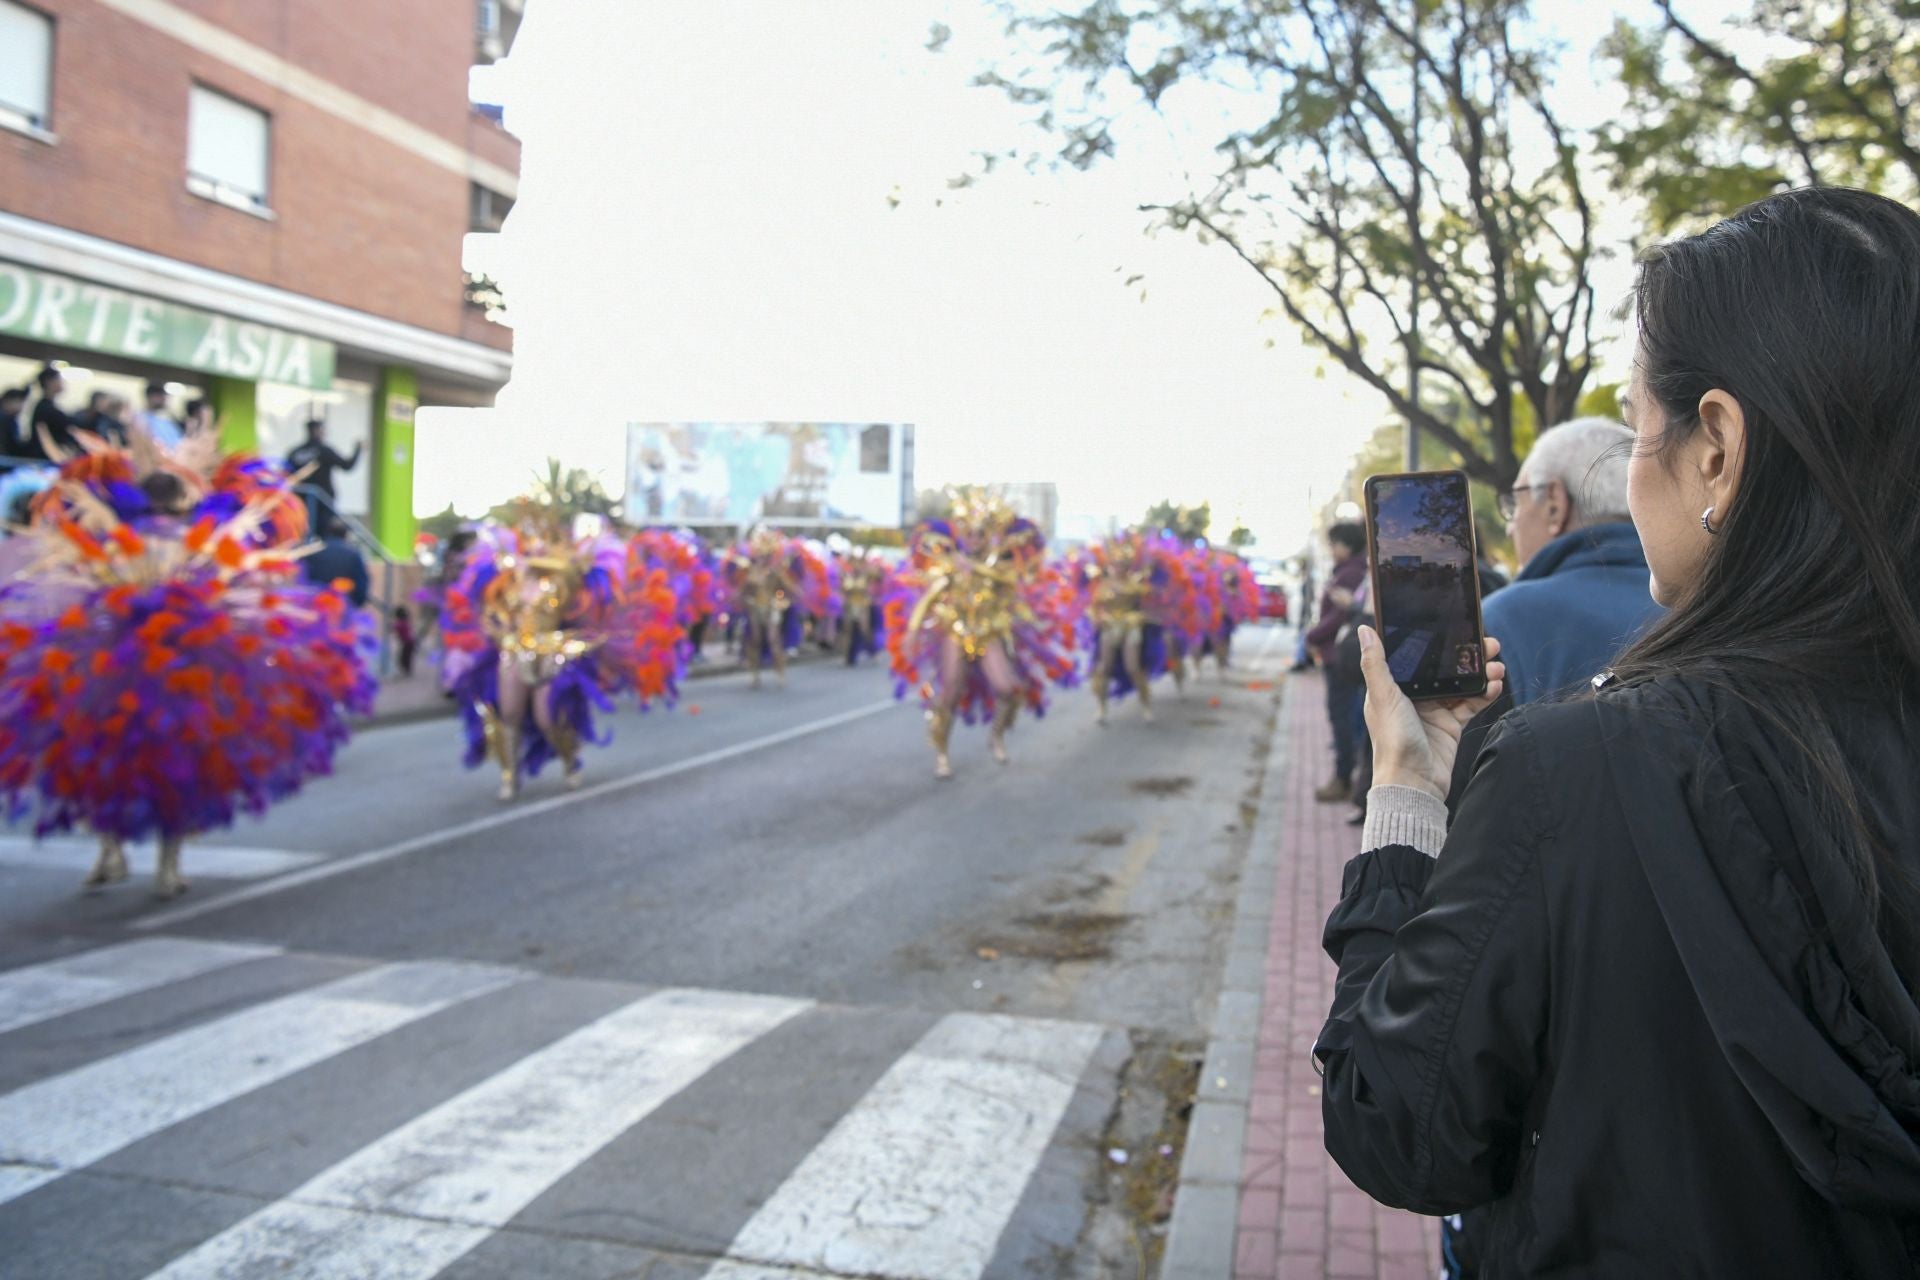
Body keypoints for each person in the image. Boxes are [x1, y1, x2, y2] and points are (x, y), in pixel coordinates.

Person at [1316, 187, 1920, 1277]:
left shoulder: (1580, 761)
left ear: (1719, 447)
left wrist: (1405, 788)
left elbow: (1398, 1123)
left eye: (1642, 428)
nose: (1634, 471)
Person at [0, 438, 375, 897]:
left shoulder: (124, 537)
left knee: (102, 763)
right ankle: (165, 866)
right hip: (179, 672)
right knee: (175, 770)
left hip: (114, 670)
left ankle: (111, 853)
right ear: (181, 502)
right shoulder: (191, 541)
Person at [438, 503, 686, 800]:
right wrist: (496, 628)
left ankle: (570, 761)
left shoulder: (560, 578)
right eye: (531, 542)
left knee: (547, 717)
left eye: (542, 541)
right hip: (515, 650)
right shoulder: (511, 578)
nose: (536, 546)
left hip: (552, 651)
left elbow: (574, 574)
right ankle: (509, 775)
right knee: (509, 714)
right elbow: (494, 610)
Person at [887, 489, 1081, 778]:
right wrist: (912, 631)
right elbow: (930, 596)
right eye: (969, 533)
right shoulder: (950, 564)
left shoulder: (999, 565)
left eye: (980, 533)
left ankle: (997, 736)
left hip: (989, 632)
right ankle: (942, 754)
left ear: (988, 534)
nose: (974, 538)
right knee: (950, 692)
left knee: (1007, 688)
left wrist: (976, 567)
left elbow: (1010, 583)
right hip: (956, 631)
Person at [1484, 417, 1663, 705]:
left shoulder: (1501, 623)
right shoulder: (1712, 606)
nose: (1510, 526)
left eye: (1516, 501)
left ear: (1555, 504)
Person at [1304, 521, 1367, 802]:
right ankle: (1345, 775)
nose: (1331, 549)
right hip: (1340, 653)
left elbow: (1338, 617)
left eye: (1334, 543)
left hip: (1340, 655)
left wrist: (1313, 635)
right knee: (1343, 716)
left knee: (1340, 716)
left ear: (1346, 544)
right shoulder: (1349, 570)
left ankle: (1343, 778)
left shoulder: (1351, 573)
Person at [286, 418, 363, 523]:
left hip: (301, 503)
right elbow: (347, 466)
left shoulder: (295, 452)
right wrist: (358, 450)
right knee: (323, 532)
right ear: (317, 430)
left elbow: (286, 474)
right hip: (322, 501)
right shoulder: (324, 450)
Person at [304, 518, 370, 608]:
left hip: (316, 604)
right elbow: (361, 584)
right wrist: (356, 605)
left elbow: (304, 578)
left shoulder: (313, 552)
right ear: (346, 534)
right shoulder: (353, 554)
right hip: (342, 606)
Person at [27, 366, 77, 459]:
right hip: (45, 457)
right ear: (49, 382)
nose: (62, 383)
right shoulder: (44, 408)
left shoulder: (50, 406)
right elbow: (43, 435)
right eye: (59, 380)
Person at [131, 382, 183, 449]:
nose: (165, 398)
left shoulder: (165, 421)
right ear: (151, 396)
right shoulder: (140, 419)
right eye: (161, 395)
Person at [0, 386, 27, 457]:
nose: (21, 406)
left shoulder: (10, 420)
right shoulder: (6, 421)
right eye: (18, 402)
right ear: (6, 402)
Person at [392, 605, 417, 677]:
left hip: (408, 642)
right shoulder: (405, 622)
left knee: (404, 658)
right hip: (410, 642)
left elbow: (394, 627)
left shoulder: (400, 623)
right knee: (406, 657)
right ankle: (407, 671)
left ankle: (406, 671)